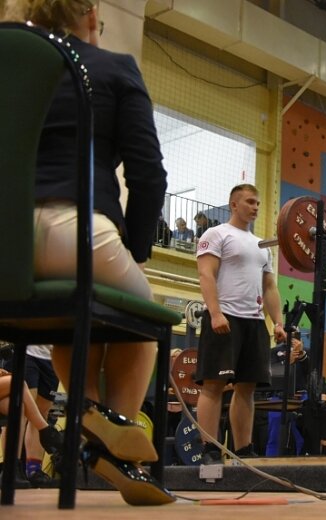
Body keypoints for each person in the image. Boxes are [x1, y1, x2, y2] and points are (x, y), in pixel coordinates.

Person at [2, 0, 174, 505]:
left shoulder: (10, 66)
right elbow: (148, 175)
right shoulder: (110, 67)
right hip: (75, 232)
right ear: (91, 14)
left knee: (71, 317)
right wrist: (136, 251)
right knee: (141, 321)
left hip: (3, 242)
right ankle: (108, 436)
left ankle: (87, 409)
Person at [194, 183, 286, 465]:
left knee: (246, 387)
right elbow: (206, 274)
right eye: (249, 202)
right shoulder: (217, 234)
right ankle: (209, 448)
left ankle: (243, 451)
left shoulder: (262, 247)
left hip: (254, 322)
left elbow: (269, 286)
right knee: (213, 384)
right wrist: (215, 312)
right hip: (225, 318)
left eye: (257, 203)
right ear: (234, 204)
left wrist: (278, 322)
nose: (255, 207)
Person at [22, 345, 60, 488]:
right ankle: (12, 468)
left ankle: (34, 471)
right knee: (21, 412)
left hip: (51, 357)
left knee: (41, 415)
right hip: (27, 351)